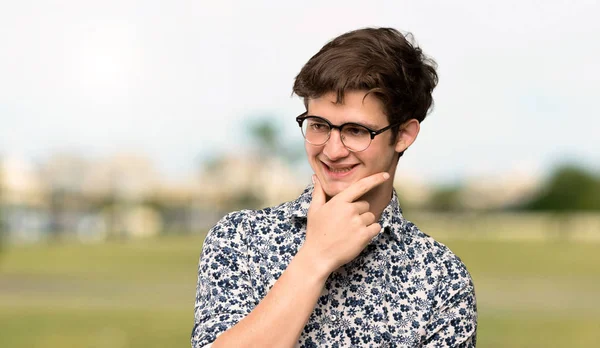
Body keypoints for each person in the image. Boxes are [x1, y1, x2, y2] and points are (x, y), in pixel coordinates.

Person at [192, 27, 477, 347]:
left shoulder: (442, 278)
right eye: (319, 126)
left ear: (404, 135)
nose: (332, 150)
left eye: (355, 130)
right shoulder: (240, 238)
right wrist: (314, 258)